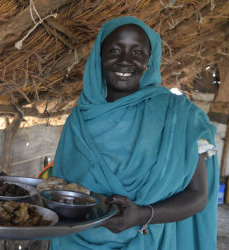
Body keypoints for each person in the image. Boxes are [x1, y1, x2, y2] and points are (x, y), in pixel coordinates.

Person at [50, 16, 218, 249]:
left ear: (150, 60)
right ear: (100, 57)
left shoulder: (180, 116)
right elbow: (59, 193)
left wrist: (142, 215)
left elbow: (198, 195)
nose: (125, 61)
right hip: (75, 242)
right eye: (115, 50)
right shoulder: (79, 121)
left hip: (149, 240)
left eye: (137, 52)